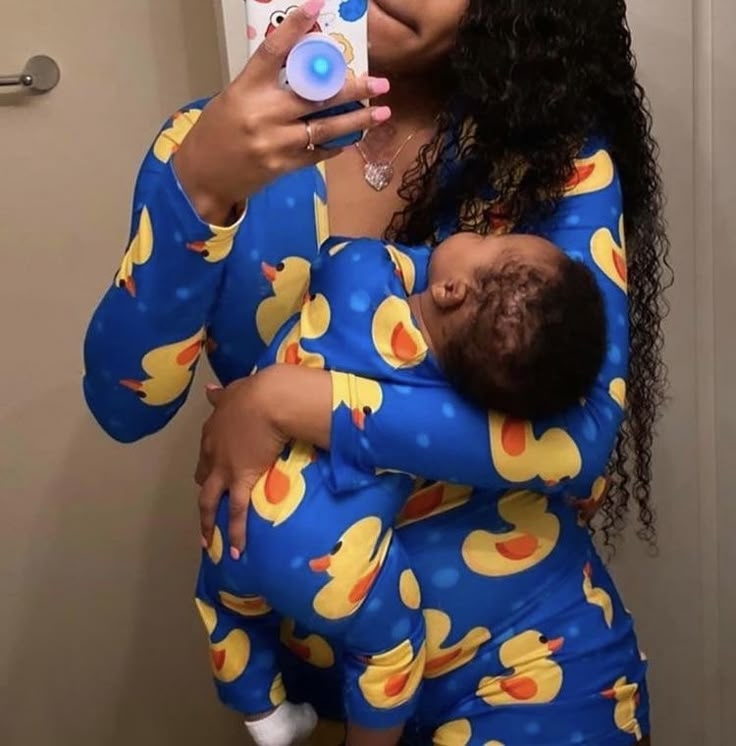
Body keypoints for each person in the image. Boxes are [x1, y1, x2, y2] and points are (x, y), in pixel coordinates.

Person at [83, 1, 669, 743]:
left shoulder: (553, 158)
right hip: (320, 692)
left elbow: (575, 444)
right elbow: (124, 406)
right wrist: (198, 188)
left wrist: (286, 400)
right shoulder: (210, 145)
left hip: (533, 671)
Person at [195, 231, 606, 746]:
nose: (479, 231)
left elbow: (338, 254)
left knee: (225, 604)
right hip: (334, 569)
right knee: (391, 650)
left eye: (484, 238)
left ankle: (262, 712)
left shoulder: (359, 271)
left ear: (451, 290)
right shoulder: (440, 401)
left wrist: (269, 395)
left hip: (233, 519)